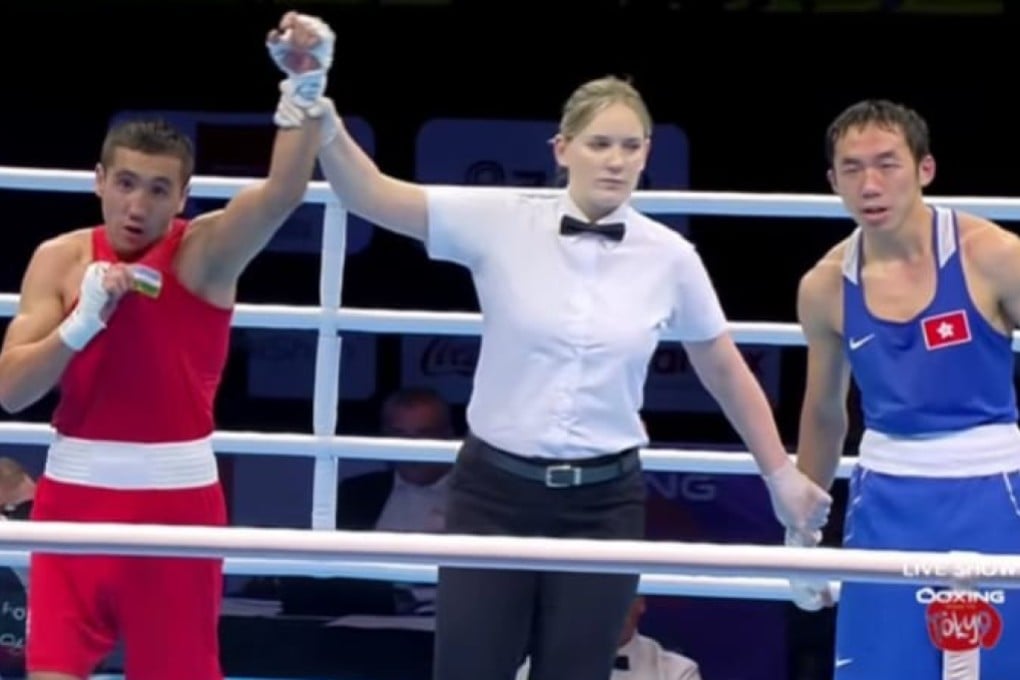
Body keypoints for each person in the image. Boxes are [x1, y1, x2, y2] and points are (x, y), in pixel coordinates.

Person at [278, 67, 831, 680]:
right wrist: (322, 116)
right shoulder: (501, 219)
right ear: (562, 149)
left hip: (604, 501)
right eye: (599, 143)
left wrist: (780, 476)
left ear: (648, 154)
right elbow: (372, 194)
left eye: (631, 145)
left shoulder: (670, 257)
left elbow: (724, 367)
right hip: (494, 492)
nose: (616, 160)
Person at [0, 12, 336, 680]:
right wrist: (80, 322)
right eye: (125, 183)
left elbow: (282, 194)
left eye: (158, 189)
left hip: (175, 501)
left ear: (181, 198)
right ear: (99, 180)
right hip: (74, 497)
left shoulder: (203, 257)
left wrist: (306, 83)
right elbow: (11, 393)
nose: (137, 204)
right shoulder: (60, 260)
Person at [793, 98, 1020, 679]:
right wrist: (801, 534)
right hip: (887, 498)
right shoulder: (824, 287)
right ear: (832, 181)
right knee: (883, 667)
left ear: (925, 169)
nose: (870, 184)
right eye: (852, 168)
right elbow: (823, 415)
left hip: (997, 492)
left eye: (887, 164)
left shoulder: (994, 257)